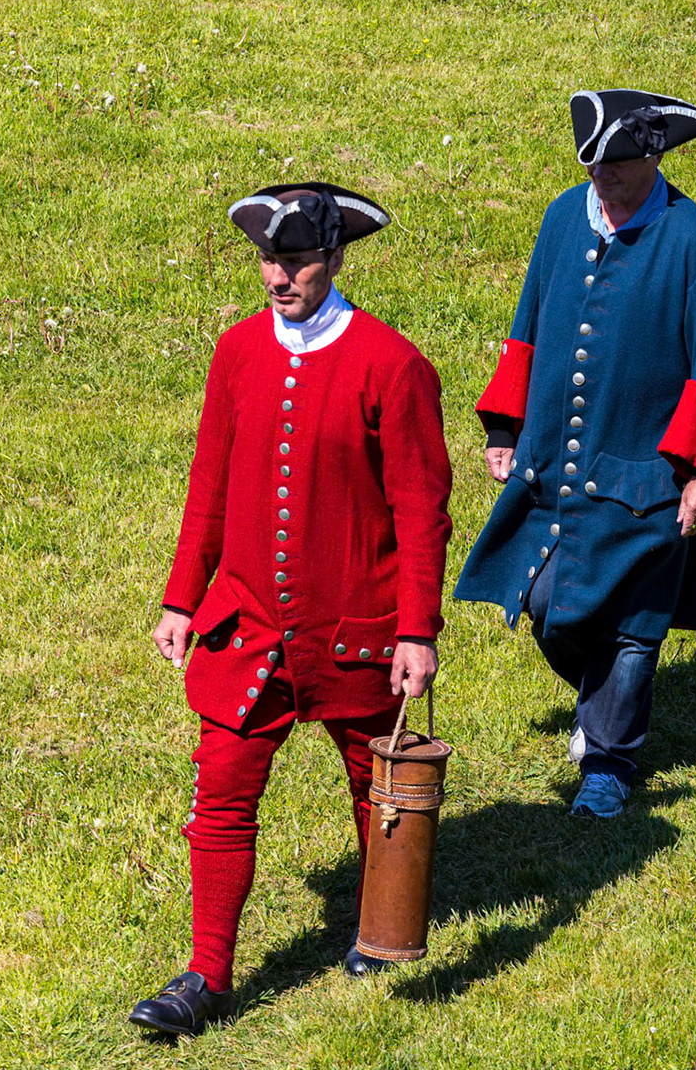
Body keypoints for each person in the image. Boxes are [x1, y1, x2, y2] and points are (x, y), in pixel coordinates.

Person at [129, 183, 452, 1038]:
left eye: (299, 260)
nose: (281, 276)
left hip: (357, 631)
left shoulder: (394, 364)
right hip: (245, 628)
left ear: (337, 257)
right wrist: (179, 598)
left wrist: (417, 629)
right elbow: (209, 486)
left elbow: (423, 507)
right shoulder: (234, 353)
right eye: (270, 260)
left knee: (374, 791)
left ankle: (381, 933)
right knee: (223, 793)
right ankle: (205, 975)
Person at [456, 90, 696, 820]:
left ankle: (610, 764)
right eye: (594, 164)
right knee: (547, 601)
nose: (605, 178)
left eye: (619, 164)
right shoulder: (563, 216)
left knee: (633, 622)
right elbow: (527, 323)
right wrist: (504, 427)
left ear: (655, 157)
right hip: (556, 458)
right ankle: (603, 710)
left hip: (653, 474)